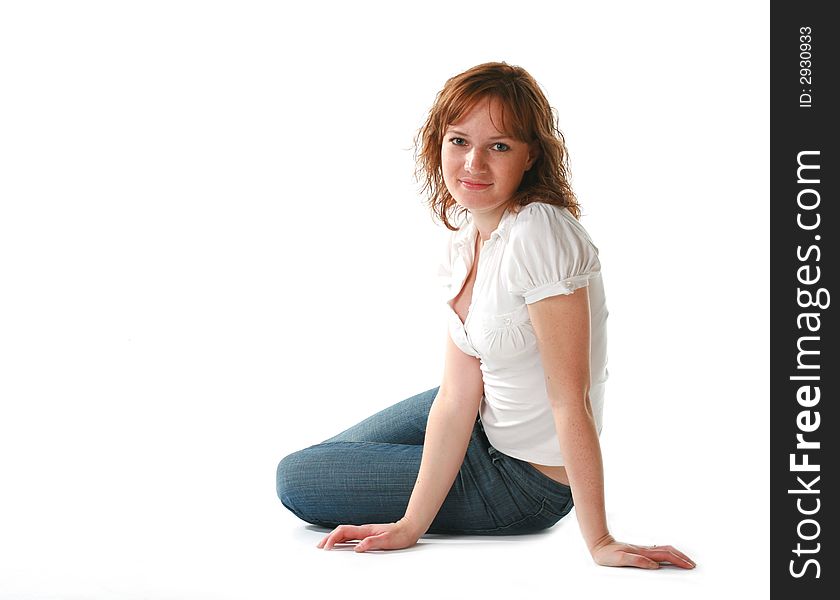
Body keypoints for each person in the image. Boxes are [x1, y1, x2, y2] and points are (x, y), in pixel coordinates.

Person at [276, 62, 695, 569]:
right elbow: (456, 398)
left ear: (530, 155)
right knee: (326, 459)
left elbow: (570, 399)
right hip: (481, 418)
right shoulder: (465, 240)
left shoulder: (540, 233)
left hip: (523, 483)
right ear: (438, 144)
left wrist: (600, 539)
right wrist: (411, 525)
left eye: (498, 146)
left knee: (296, 478)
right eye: (459, 141)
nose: (473, 163)